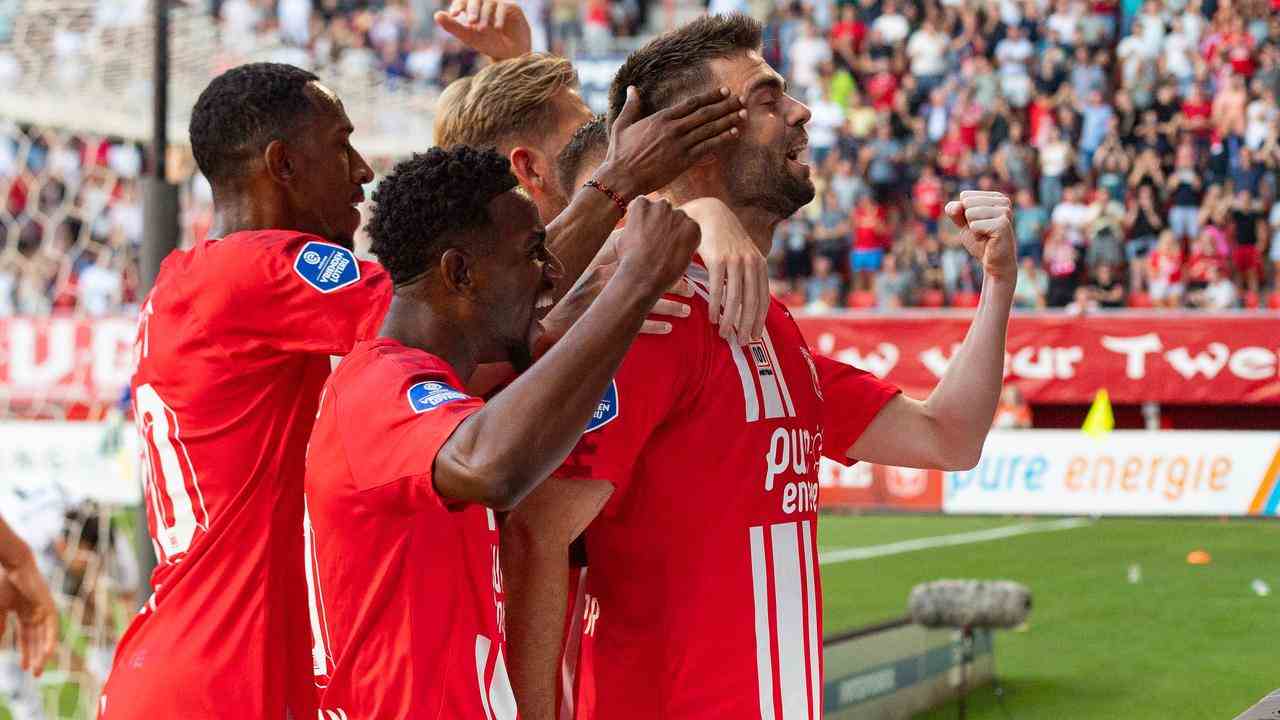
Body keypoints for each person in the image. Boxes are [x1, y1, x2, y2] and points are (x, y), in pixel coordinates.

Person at [98, 60, 742, 720]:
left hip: (194, 657)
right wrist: (616, 191)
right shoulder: (262, 272)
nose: (361, 170)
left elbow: (481, 302)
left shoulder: (193, 280)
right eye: (340, 144)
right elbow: (449, 299)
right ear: (282, 165)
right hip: (225, 680)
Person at [500, 15, 1017, 720]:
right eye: (769, 99)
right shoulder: (660, 313)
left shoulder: (769, 326)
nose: (801, 111)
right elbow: (538, 530)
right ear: (701, 141)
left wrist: (998, 284)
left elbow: (947, 437)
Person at [304, 146, 699, 717]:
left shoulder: (440, 391)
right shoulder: (378, 389)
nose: (553, 271)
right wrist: (633, 285)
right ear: (459, 272)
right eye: (533, 252)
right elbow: (492, 468)